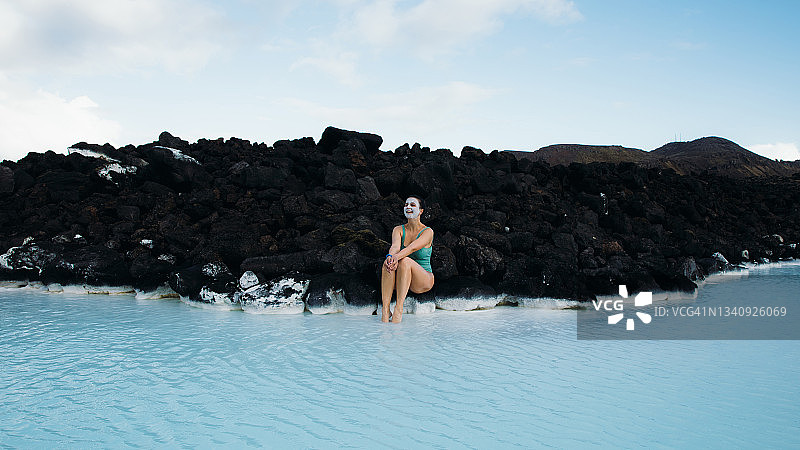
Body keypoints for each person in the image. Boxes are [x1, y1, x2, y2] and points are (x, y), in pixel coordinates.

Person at [381, 196, 434, 323]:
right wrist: (390, 257)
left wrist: (396, 258)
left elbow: (412, 248)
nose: (408, 207)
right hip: (403, 279)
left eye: (413, 205)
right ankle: (385, 310)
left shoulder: (428, 232)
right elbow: (394, 247)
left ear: (421, 211)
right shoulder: (398, 229)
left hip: (423, 280)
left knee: (404, 261)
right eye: (406, 204)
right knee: (387, 262)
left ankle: (399, 309)